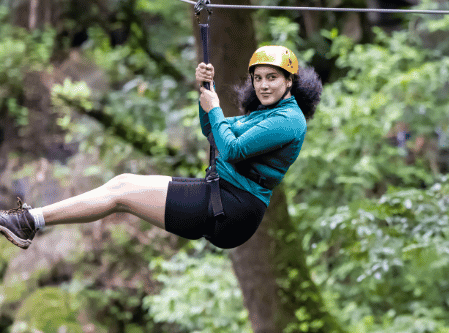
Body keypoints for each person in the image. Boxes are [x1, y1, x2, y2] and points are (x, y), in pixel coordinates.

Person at [0, 45, 322, 250]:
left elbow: (233, 149)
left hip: (231, 208)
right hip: (219, 194)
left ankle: (30, 222)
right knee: (122, 185)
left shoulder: (288, 120)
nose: (263, 85)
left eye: (272, 78)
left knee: (121, 195)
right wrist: (206, 94)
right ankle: (31, 221)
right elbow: (213, 134)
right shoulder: (267, 114)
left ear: (289, 81)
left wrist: (214, 107)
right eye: (258, 78)